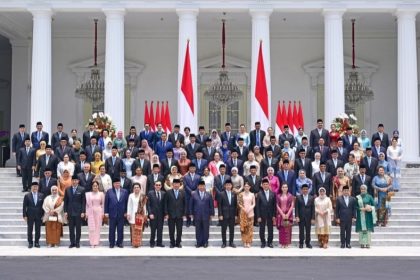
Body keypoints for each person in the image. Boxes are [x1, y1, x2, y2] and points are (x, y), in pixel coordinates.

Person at [189, 180, 214, 248]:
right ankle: (199, 242)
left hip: (206, 215)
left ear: (205, 186)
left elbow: (211, 205)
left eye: (203, 186)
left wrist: (212, 214)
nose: (202, 187)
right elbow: (191, 204)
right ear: (198, 186)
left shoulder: (208, 194)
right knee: (198, 229)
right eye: (200, 186)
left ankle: (205, 242)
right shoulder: (194, 194)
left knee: (206, 229)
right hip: (197, 214)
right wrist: (191, 213)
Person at [105, 178, 129, 248]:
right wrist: (106, 212)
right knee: (111, 229)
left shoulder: (125, 191)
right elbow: (106, 202)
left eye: (118, 183)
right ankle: (111, 243)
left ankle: (120, 242)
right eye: (116, 183)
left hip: (121, 214)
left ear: (120, 183)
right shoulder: (109, 191)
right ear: (113, 184)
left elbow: (127, 202)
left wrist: (126, 211)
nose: (117, 184)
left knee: (120, 229)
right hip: (112, 213)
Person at [64, 174, 86, 248]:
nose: (74, 182)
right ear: (71, 181)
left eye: (76, 180)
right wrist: (65, 211)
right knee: (71, 229)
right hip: (70, 212)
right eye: (73, 180)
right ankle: (72, 242)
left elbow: (83, 202)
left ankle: (77, 242)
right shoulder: (67, 189)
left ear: (78, 181)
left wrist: (83, 211)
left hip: (79, 212)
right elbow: (65, 201)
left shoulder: (82, 189)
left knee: (78, 229)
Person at [164, 178, 187, 248]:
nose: (176, 185)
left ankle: (178, 243)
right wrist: (166, 213)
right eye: (175, 184)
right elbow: (165, 204)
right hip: (171, 215)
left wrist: (184, 214)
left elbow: (185, 204)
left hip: (180, 215)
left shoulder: (183, 192)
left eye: (178, 184)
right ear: (172, 184)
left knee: (179, 230)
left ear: (180, 185)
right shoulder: (168, 192)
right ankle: (172, 243)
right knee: (171, 230)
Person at [23, 182, 44, 248]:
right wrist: (24, 215)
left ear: (38, 187)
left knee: (38, 229)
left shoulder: (41, 195)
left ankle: (37, 242)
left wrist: (43, 215)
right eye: (33, 186)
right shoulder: (27, 195)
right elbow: (24, 206)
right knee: (30, 229)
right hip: (30, 215)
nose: (35, 188)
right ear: (31, 187)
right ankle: (30, 242)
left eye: (36, 186)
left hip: (39, 215)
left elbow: (43, 206)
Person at [256, 178, 276, 248]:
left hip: (270, 214)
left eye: (266, 184)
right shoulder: (259, 194)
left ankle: (270, 242)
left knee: (270, 229)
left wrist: (274, 215)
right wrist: (258, 216)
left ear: (268, 185)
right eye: (264, 184)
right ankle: (263, 242)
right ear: (262, 185)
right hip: (262, 214)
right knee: (262, 229)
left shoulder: (273, 194)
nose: (265, 185)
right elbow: (257, 206)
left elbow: (274, 205)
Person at [218, 180, 237, 248]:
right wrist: (220, 215)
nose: (228, 186)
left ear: (231, 186)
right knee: (224, 229)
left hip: (232, 214)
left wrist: (235, 215)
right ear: (225, 186)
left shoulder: (234, 194)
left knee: (232, 229)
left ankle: (231, 242)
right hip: (224, 214)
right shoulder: (221, 194)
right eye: (227, 185)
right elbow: (219, 205)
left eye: (230, 185)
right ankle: (224, 243)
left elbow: (235, 205)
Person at [127, 183, 147, 248]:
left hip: (140, 215)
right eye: (135, 187)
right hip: (132, 214)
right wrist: (128, 214)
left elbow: (144, 206)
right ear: (133, 189)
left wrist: (145, 215)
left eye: (137, 187)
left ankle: (138, 243)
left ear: (140, 188)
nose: (136, 188)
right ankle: (134, 243)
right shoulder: (131, 195)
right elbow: (129, 205)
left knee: (139, 230)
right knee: (133, 230)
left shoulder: (142, 196)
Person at [295, 183, 315, 248]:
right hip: (301, 217)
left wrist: (312, 218)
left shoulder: (311, 198)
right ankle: (301, 243)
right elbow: (297, 208)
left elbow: (313, 208)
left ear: (308, 190)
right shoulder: (298, 197)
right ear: (301, 190)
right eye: (304, 189)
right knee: (301, 231)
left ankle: (308, 243)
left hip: (309, 217)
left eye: (306, 189)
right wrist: (297, 216)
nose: (305, 190)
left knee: (308, 231)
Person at [85, 181, 105, 248]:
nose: (95, 187)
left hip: (99, 211)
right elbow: (87, 205)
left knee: (97, 228)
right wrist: (86, 213)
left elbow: (103, 204)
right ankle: (91, 243)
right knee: (91, 228)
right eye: (94, 186)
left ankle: (96, 242)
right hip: (91, 211)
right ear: (92, 186)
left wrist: (103, 213)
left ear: (98, 186)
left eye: (96, 185)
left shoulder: (101, 194)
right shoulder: (88, 194)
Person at [147, 181, 166, 247]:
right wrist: (150, 213)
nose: (158, 186)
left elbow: (165, 204)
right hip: (153, 215)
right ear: (154, 186)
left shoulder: (163, 193)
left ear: (161, 186)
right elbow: (148, 204)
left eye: (159, 185)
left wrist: (165, 213)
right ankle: (152, 242)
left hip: (161, 215)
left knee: (160, 230)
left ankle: (159, 243)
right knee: (153, 229)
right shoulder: (150, 193)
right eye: (156, 185)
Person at [276, 183, 294, 248]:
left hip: (288, 216)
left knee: (287, 230)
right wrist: (282, 214)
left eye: (286, 187)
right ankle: (282, 243)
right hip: (281, 216)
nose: (284, 188)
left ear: (287, 188)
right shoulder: (278, 196)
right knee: (282, 230)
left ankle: (287, 243)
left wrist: (287, 214)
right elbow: (277, 205)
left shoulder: (290, 196)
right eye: (283, 187)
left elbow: (292, 206)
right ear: (281, 188)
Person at [237, 182, 255, 248]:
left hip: (250, 213)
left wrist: (249, 209)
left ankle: (249, 242)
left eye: (248, 186)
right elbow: (239, 203)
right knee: (244, 228)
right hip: (243, 213)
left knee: (250, 228)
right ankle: (244, 242)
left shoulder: (252, 194)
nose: (246, 187)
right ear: (244, 187)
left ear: (249, 187)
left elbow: (254, 204)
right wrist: (243, 209)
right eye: (245, 186)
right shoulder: (241, 194)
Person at [183, 163, 201, 227]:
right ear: (189, 169)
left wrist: (195, 191)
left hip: (196, 194)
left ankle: (194, 221)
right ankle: (188, 221)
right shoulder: (185, 176)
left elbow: (199, 185)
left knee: (195, 207)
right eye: (191, 168)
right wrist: (191, 191)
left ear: (195, 169)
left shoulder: (198, 176)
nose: (192, 169)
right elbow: (185, 185)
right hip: (188, 194)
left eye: (193, 168)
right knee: (188, 207)